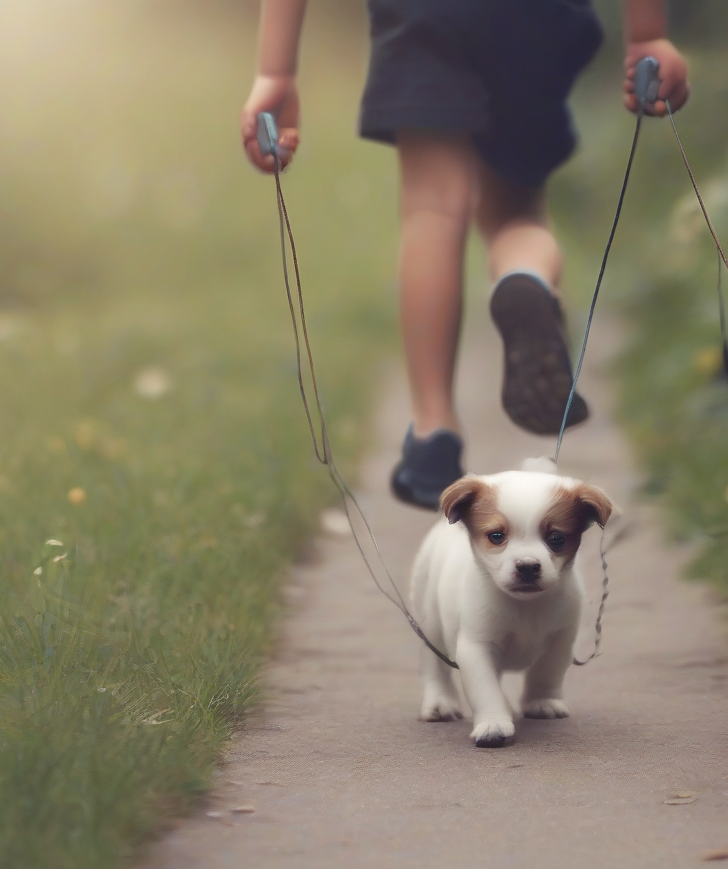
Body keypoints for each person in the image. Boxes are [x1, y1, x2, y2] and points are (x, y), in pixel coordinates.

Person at [242, 0, 689, 509]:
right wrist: (648, 35)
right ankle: (527, 277)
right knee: (517, 213)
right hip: (538, 20)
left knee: (432, 210)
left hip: (424, 16)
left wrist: (273, 70)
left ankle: (433, 432)